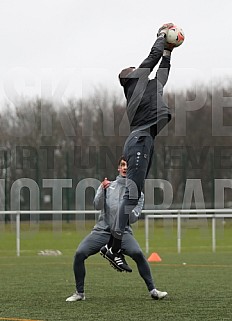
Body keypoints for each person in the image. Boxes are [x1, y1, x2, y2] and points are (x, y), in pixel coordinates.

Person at [103, 23, 175, 272]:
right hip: (140, 139)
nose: (137, 68)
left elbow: (162, 73)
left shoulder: (149, 87)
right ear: (128, 76)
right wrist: (161, 38)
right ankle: (113, 247)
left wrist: (169, 51)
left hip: (147, 139)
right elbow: (152, 58)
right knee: (131, 194)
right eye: (133, 69)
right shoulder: (134, 81)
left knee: (133, 195)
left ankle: (112, 246)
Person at [66, 156, 167, 301]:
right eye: (123, 165)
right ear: (119, 168)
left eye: (128, 165)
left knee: (138, 254)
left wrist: (128, 204)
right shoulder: (108, 186)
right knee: (79, 254)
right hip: (102, 231)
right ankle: (79, 293)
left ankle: (153, 290)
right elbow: (97, 205)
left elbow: (132, 218)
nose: (125, 168)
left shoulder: (138, 193)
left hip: (123, 233)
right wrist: (101, 189)